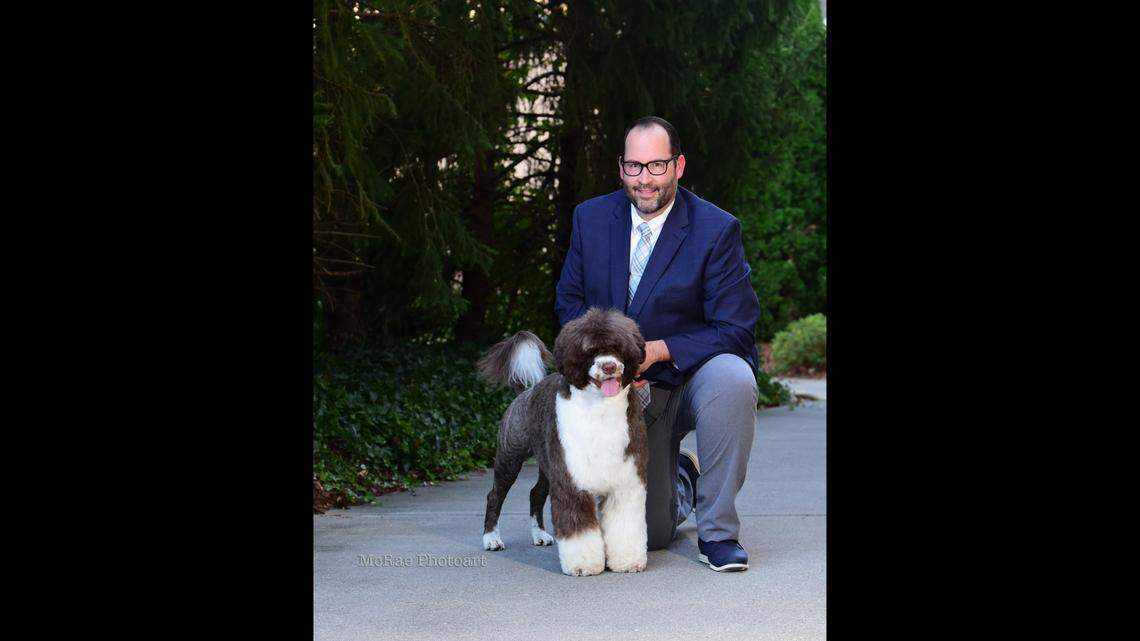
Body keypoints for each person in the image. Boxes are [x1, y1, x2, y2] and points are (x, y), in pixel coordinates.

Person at [555, 116, 762, 572]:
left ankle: (719, 533)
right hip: (621, 390)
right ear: (621, 168)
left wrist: (660, 349)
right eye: (634, 167)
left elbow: (736, 327)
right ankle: (683, 477)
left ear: (678, 166)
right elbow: (569, 303)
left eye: (656, 166)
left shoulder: (716, 229)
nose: (644, 180)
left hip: (689, 379)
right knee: (657, 535)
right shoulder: (590, 219)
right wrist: (602, 358)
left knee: (734, 376)